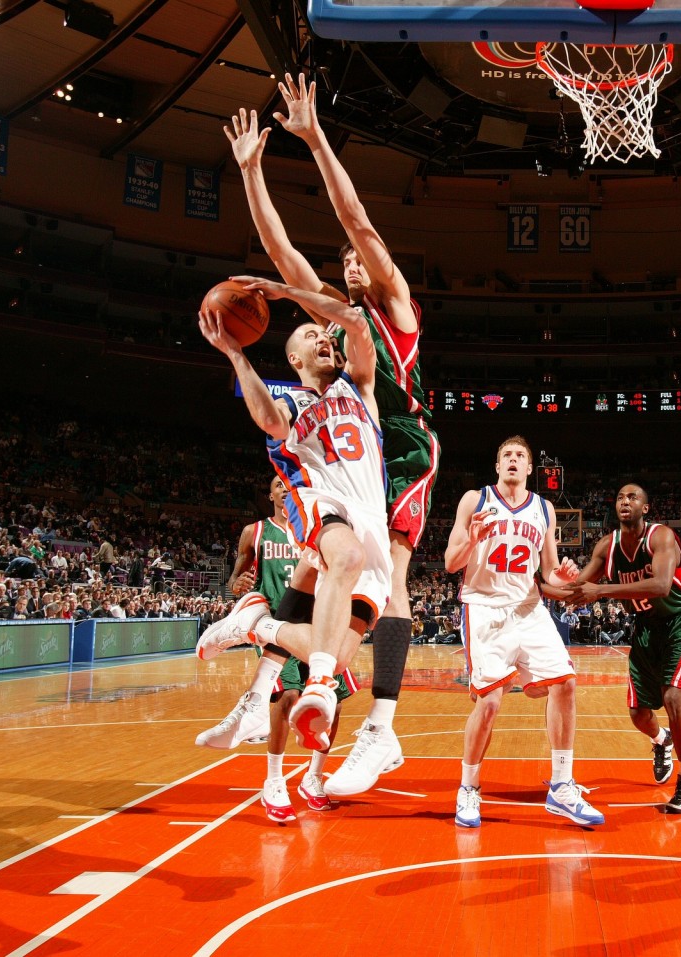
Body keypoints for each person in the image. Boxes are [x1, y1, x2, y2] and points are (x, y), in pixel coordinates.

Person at [219, 76, 440, 797]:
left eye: (354, 260)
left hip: (401, 447)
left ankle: (380, 726)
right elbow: (280, 253)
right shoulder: (329, 338)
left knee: (391, 578)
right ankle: (272, 675)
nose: (349, 261)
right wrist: (253, 172)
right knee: (332, 586)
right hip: (352, 465)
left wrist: (315, 141)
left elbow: (361, 225)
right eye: (341, 261)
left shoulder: (389, 315)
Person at [196, 285, 391, 767]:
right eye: (309, 336)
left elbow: (358, 325)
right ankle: (317, 686)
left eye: (322, 335)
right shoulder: (294, 404)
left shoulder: (359, 387)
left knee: (338, 654)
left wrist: (288, 293)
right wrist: (237, 354)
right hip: (324, 504)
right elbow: (267, 419)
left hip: (372, 521)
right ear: (295, 360)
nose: (321, 339)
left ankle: (257, 624)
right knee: (345, 557)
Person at [443, 435, 604, 830]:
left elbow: (547, 569)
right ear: (497, 466)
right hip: (483, 608)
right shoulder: (474, 500)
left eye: (520, 456)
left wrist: (562, 576)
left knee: (565, 683)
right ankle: (469, 787)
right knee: (491, 703)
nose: (513, 460)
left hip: (529, 608)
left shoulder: (544, 509)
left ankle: (562, 787)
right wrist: (473, 541)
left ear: (530, 469)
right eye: (506, 456)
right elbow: (450, 562)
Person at [196, 475, 358, 821]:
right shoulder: (254, 532)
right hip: (280, 623)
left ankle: (313, 776)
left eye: (290, 482)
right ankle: (273, 779)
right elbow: (235, 578)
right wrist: (235, 584)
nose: (285, 487)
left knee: (335, 702)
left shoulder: (321, 526)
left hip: (321, 623)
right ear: (270, 494)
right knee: (286, 698)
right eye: (278, 484)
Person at [565, 483, 681, 815]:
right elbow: (575, 590)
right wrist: (537, 580)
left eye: (633, 497)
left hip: (679, 620)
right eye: (620, 496)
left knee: (673, 697)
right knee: (638, 715)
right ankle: (662, 739)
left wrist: (601, 592)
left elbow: (662, 585)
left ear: (644, 508)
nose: (625, 501)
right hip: (645, 628)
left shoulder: (660, 537)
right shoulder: (606, 547)